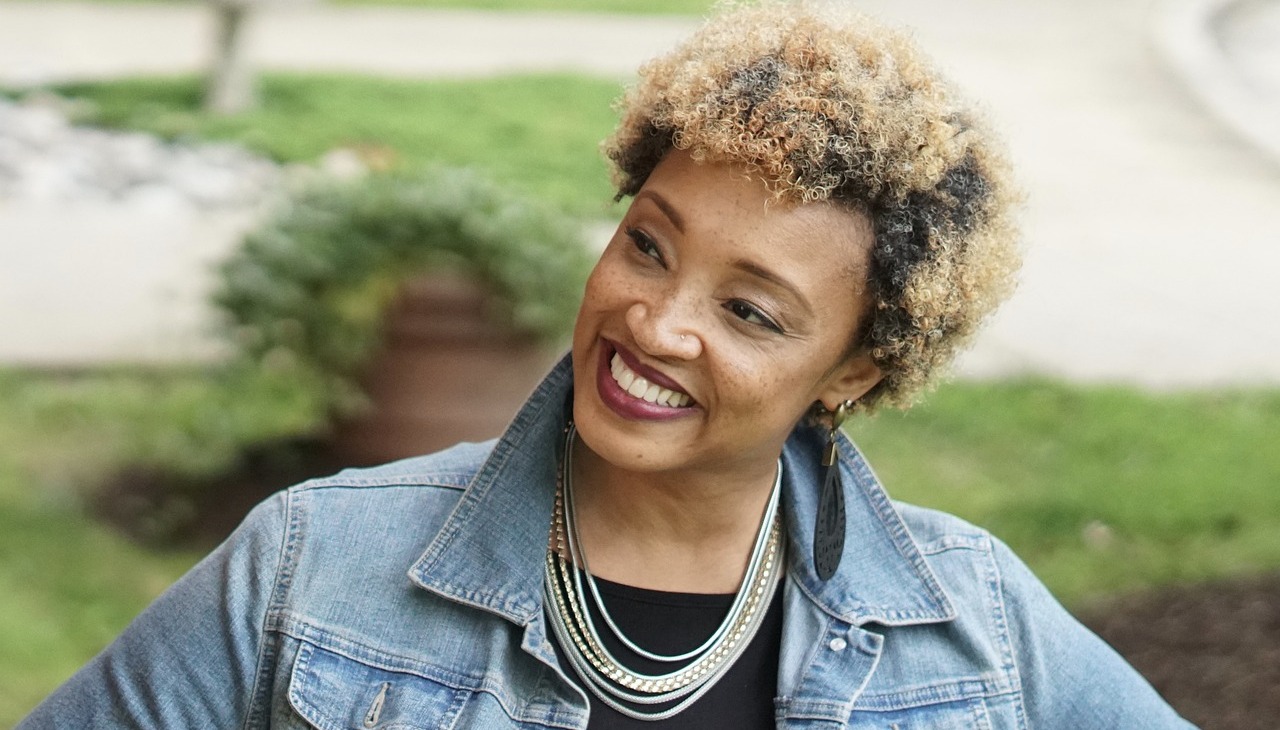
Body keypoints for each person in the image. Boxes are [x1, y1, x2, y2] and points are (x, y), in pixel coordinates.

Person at [22, 2, 1194, 727]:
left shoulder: (967, 621)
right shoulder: (313, 568)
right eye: (647, 243)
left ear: (853, 369)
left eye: (749, 311)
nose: (655, 321)